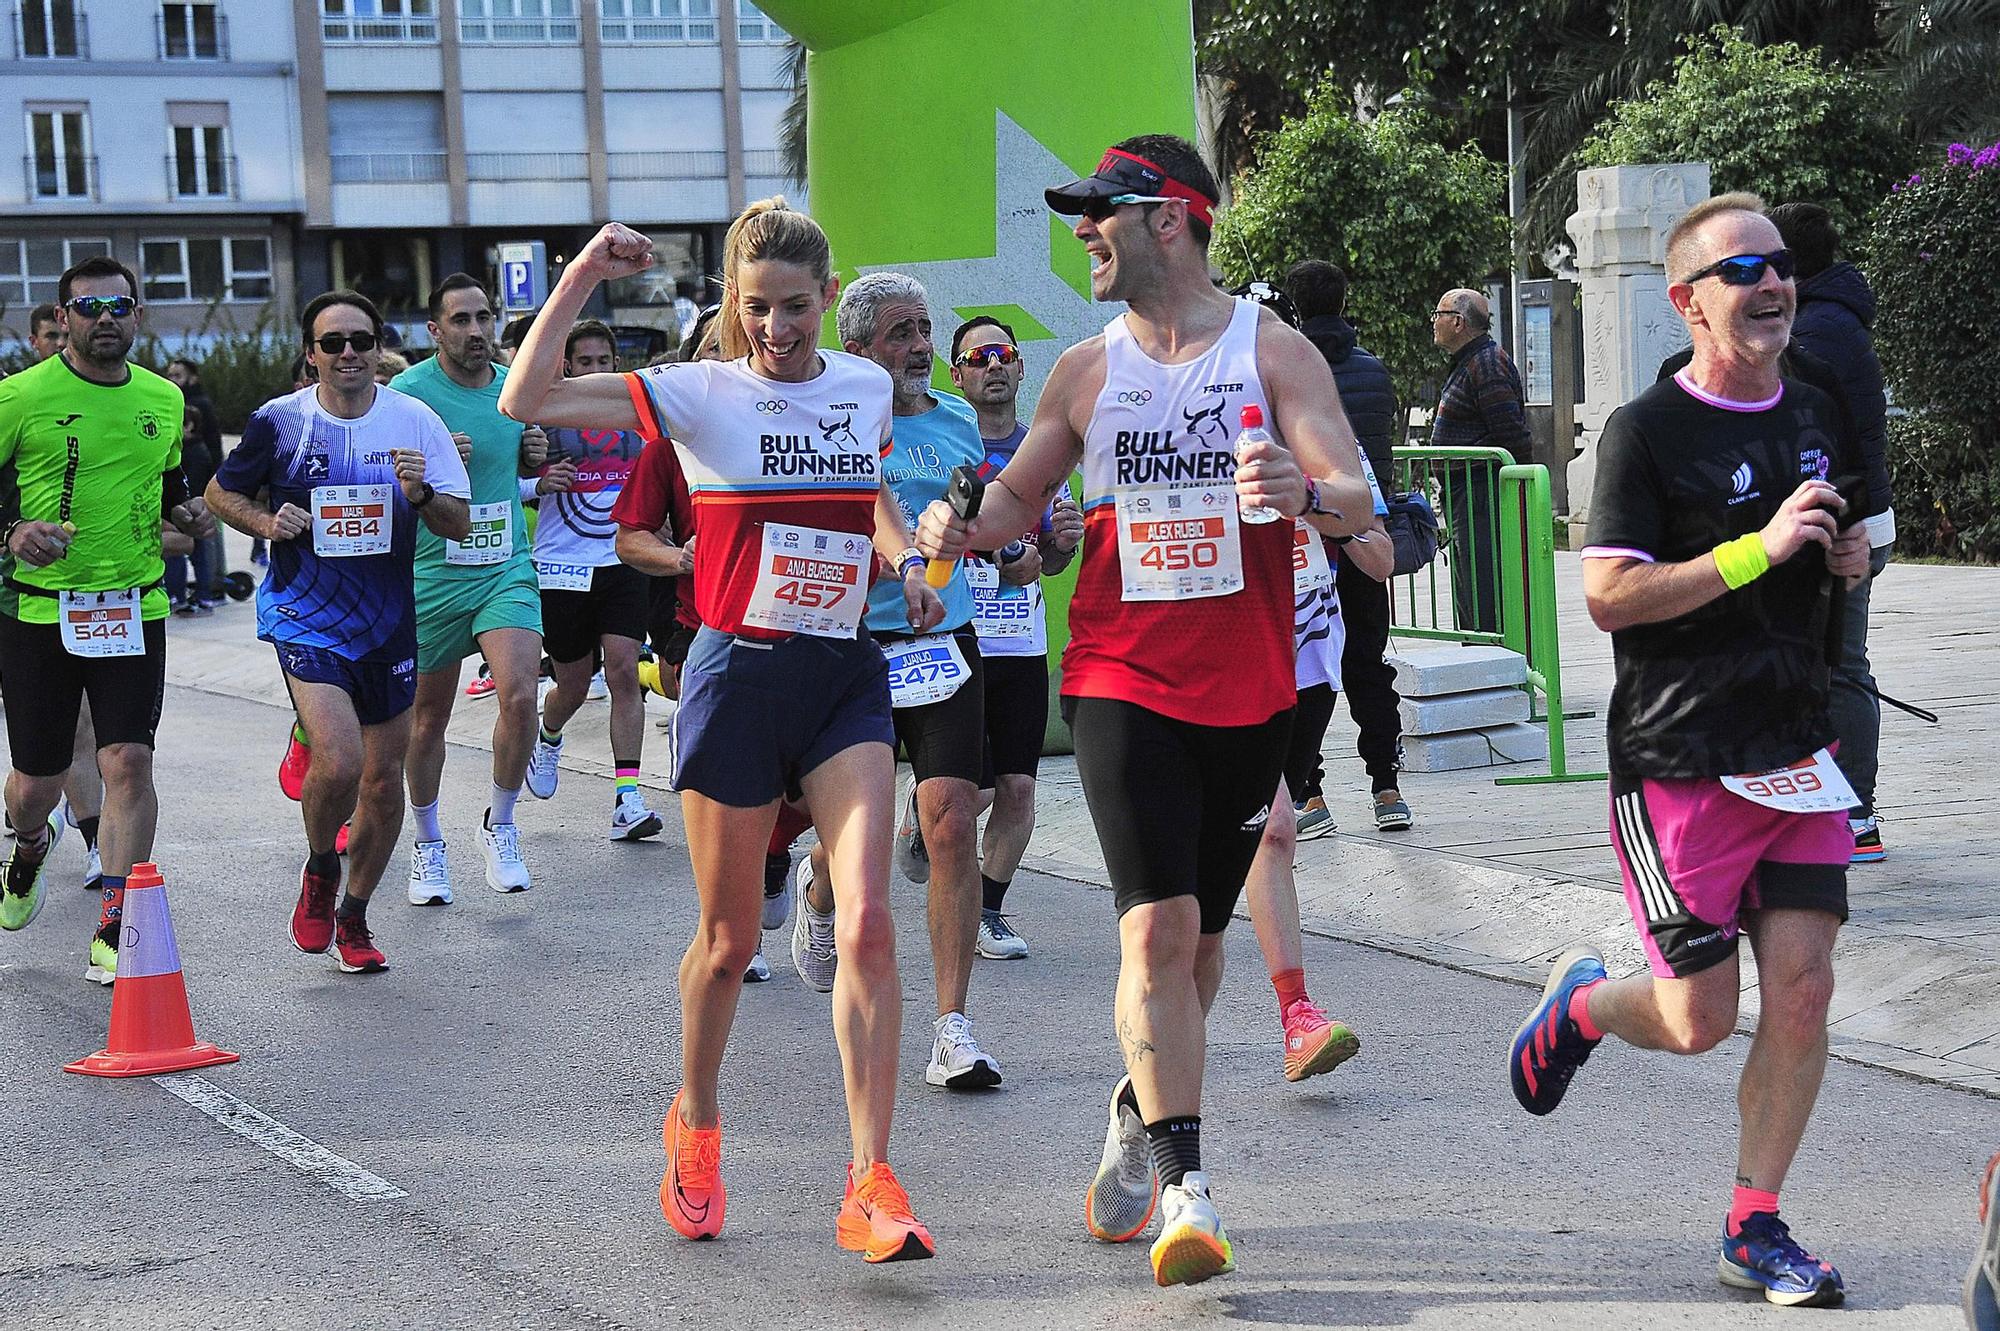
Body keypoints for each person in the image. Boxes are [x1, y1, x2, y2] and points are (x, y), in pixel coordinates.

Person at [918, 134, 1374, 1287]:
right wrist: (947, 531)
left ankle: (1138, 1106)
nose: (1083, 233)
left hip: (1248, 691)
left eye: (1099, 214)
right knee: (1152, 934)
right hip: (1119, 677)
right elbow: (1012, 500)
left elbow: (1353, 491)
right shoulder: (1082, 370)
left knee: (1201, 951)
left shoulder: (1269, 352)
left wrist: (1302, 492)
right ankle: (1187, 1185)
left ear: (1168, 216)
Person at [499, 203, 944, 1263]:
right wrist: (581, 276)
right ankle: (695, 1122)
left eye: (794, 308)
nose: (777, 331)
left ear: (827, 296)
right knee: (728, 941)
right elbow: (527, 396)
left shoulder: (863, 384)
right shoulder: (699, 390)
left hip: (842, 673)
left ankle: (870, 1178)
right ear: (734, 308)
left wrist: (907, 563)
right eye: (756, 310)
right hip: (735, 673)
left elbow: (869, 490)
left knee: (870, 919)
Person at [1512, 194, 1868, 1309]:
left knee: (1803, 989)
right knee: (1696, 1019)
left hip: (1793, 747)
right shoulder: (1643, 432)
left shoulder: (1812, 409)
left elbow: (1825, 546)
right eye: (1740, 271)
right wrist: (1756, 553)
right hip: (1679, 760)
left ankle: (1752, 1224)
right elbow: (1609, 594)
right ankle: (1575, 1006)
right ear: (1686, 302)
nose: (1770, 284)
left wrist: (1840, 556)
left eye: (1777, 267)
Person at [206, 290, 472, 973]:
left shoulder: (415, 421)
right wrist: (267, 524)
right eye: (333, 343)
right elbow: (218, 492)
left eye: (361, 339)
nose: (348, 352)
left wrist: (420, 496)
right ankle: (321, 865)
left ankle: (354, 913)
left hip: (386, 621)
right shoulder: (278, 422)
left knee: (384, 783)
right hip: (305, 612)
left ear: (379, 347)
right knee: (344, 759)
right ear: (311, 354)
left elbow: (457, 522)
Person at [789, 270, 1002, 1090]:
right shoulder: (839, 419)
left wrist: (1013, 548)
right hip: (853, 645)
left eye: (923, 330)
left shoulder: (956, 421)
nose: (919, 347)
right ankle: (817, 882)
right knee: (853, 835)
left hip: (946, 641)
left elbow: (975, 528)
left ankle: (952, 1028)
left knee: (949, 820)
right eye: (900, 334)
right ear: (859, 348)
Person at [0, 255, 216, 985]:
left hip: (134, 604)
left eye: (118, 307)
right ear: (62, 319)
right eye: (88, 308)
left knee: (128, 761)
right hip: (40, 609)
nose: (104, 320)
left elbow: (168, 487)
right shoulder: (21, 396)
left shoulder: (160, 398)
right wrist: (11, 532)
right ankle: (29, 845)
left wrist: (190, 513)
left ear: (138, 316)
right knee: (39, 780)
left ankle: (115, 923)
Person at [391, 276, 548, 903]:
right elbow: (379, 478)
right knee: (427, 720)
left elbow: (518, 461)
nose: (476, 331)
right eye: (461, 320)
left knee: (519, 695)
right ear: (435, 331)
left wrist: (531, 454)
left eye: (485, 318)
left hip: (504, 565)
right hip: (431, 572)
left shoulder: (517, 386)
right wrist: (425, 463)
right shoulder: (406, 395)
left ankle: (500, 825)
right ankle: (428, 843)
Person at [946, 315, 1083, 960]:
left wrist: (1059, 544)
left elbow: (1049, 561)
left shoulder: (1042, 451)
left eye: (1003, 354)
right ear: (959, 374)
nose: (993, 365)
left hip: (1021, 641)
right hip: (955, 636)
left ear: (1021, 367)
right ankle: (928, 836)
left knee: (1018, 787)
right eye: (978, 358)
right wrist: (998, 563)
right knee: (963, 793)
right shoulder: (945, 443)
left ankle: (989, 911)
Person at [1767, 201, 1896, 864]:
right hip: (1851, 516)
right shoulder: (1831, 317)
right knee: (1834, 666)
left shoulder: (1818, 330)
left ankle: (1855, 813)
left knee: (1840, 668)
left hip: (1846, 522)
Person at [520, 319, 664, 842]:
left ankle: (628, 797)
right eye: (586, 362)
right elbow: (500, 485)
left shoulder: (635, 419)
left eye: (605, 361)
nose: (597, 371)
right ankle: (549, 733)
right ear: (567, 367)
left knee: (625, 671)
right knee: (574, 685)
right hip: (562, 564)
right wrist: (535, 481)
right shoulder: (541, 416)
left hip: (623, 556)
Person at [1287, 259, 1411, 832]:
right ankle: (1386, 787)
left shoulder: (1284, 368)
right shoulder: (1374, 371)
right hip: (1359, 519)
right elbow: (1381, 450)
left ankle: (1309, 793)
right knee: (1366, 665)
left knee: (1307, 672)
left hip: (1324, 541)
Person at [1, 298, 108, 907]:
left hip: (44, 601)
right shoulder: (17, 401)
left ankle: (98, 842)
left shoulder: (106, 410)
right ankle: (30, 828)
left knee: (87, 732)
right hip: (16, 598)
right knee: (35, 765)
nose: (50, 346)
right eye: (43, 336)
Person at [1428, 287, 1528, 635]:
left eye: (1438, 315)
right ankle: (1478, 658)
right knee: (1470, 582)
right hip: (1467, 491)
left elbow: (1511, 435)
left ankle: (1490, 663)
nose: (1434, 322)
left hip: (1481, 493)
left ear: (1457, 322)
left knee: (1481, 584)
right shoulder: (1471, 361)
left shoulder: (1486, 363)